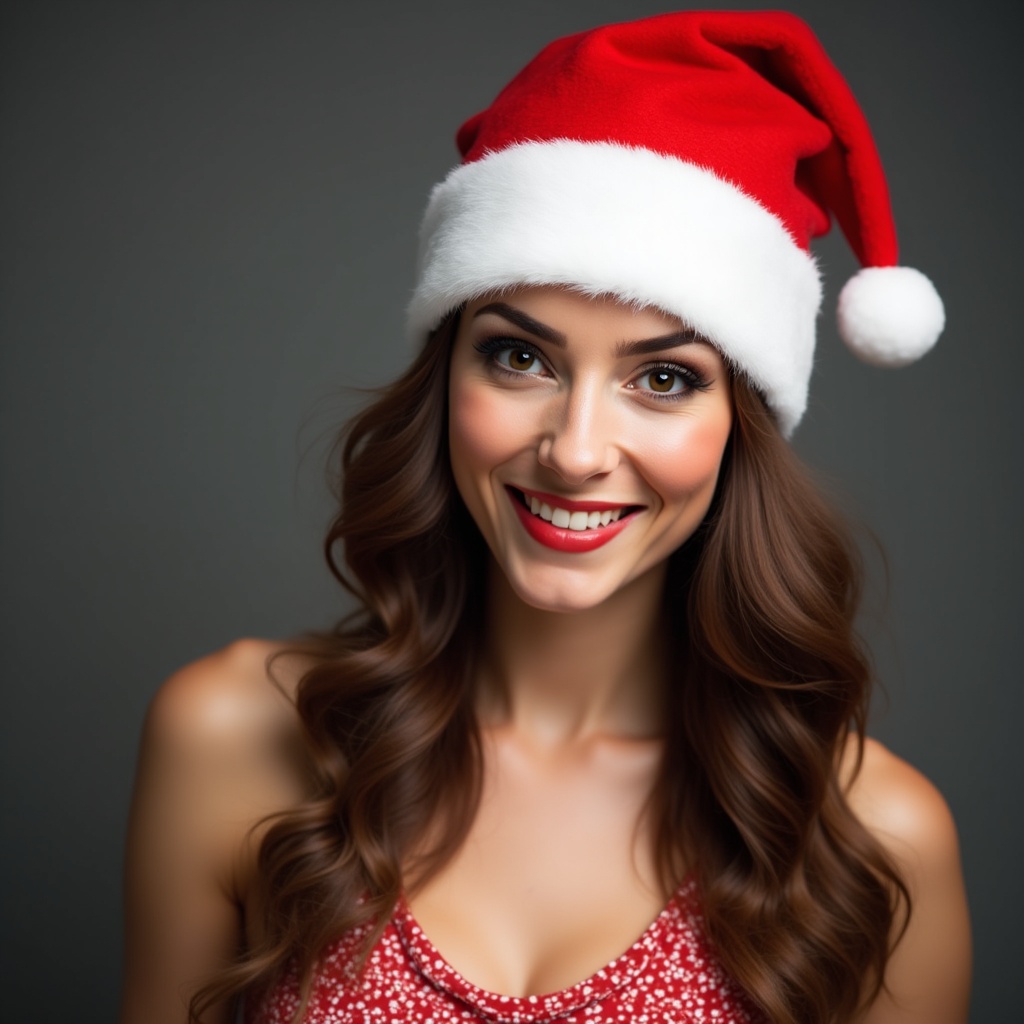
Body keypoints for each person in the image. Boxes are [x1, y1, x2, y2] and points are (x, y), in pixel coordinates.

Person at [120, 11, 971, 1024]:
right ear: (444, 378)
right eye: (520, 357)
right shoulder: (232, 737)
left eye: (662, 378)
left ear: (739, 427)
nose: (573, 450)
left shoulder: (872, 835)